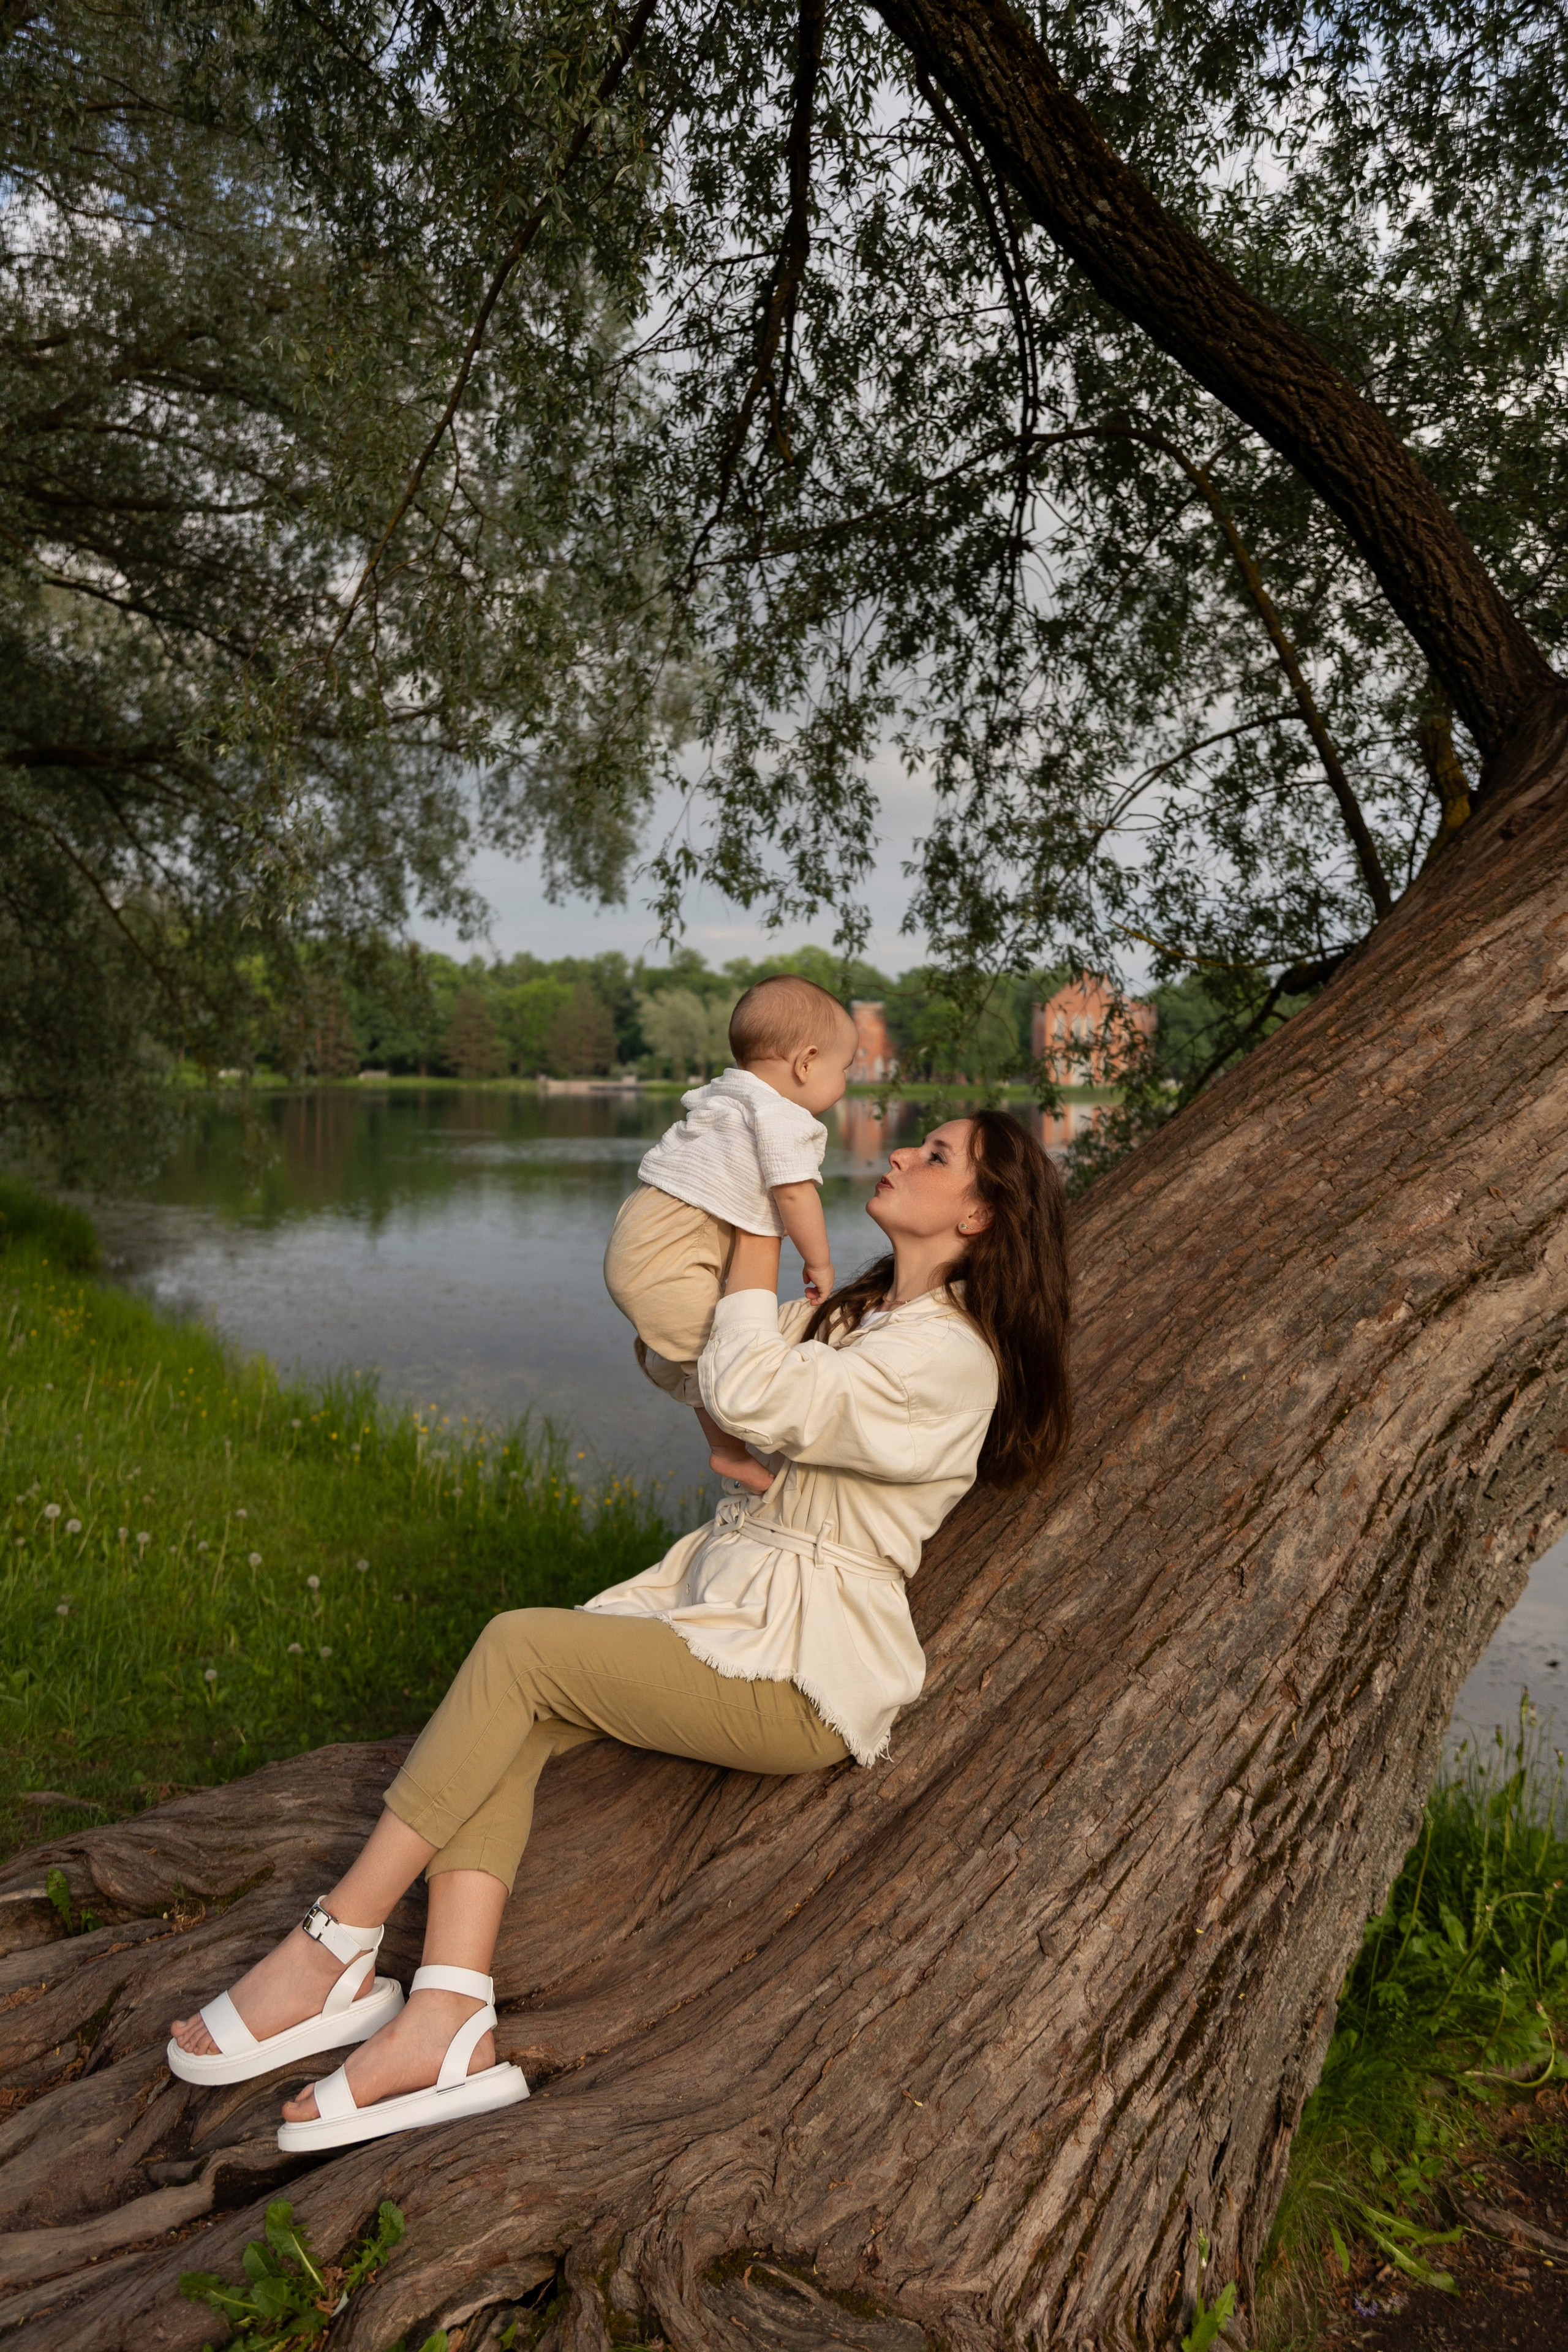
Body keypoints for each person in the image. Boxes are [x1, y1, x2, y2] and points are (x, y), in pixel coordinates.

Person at [167, 1110, 1071, 2154]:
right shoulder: (859, 1314)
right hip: (734, 1608)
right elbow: (697, 1355)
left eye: (938, 1155)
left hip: (801, 1669)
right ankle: (448, 2013)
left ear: (979, 1216)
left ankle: (333, 1945)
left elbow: (752, 1388)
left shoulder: (950, 1357)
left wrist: (761, 1237)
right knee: (507, 1722)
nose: (903, 1153)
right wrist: (726, 1176)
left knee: (519, 1649)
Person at [605, 971, 860, 1491]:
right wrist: (818, 1260)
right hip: (669, 1254)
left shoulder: (730, 1096)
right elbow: (795, 1194)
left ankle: (716, 1430)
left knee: (709, 1347)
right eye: (844, 1069)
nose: (845, 1083)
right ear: (807, 1062)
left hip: (647, 1233)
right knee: (724, 1359)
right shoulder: (779, 1115)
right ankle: (727, 1444)